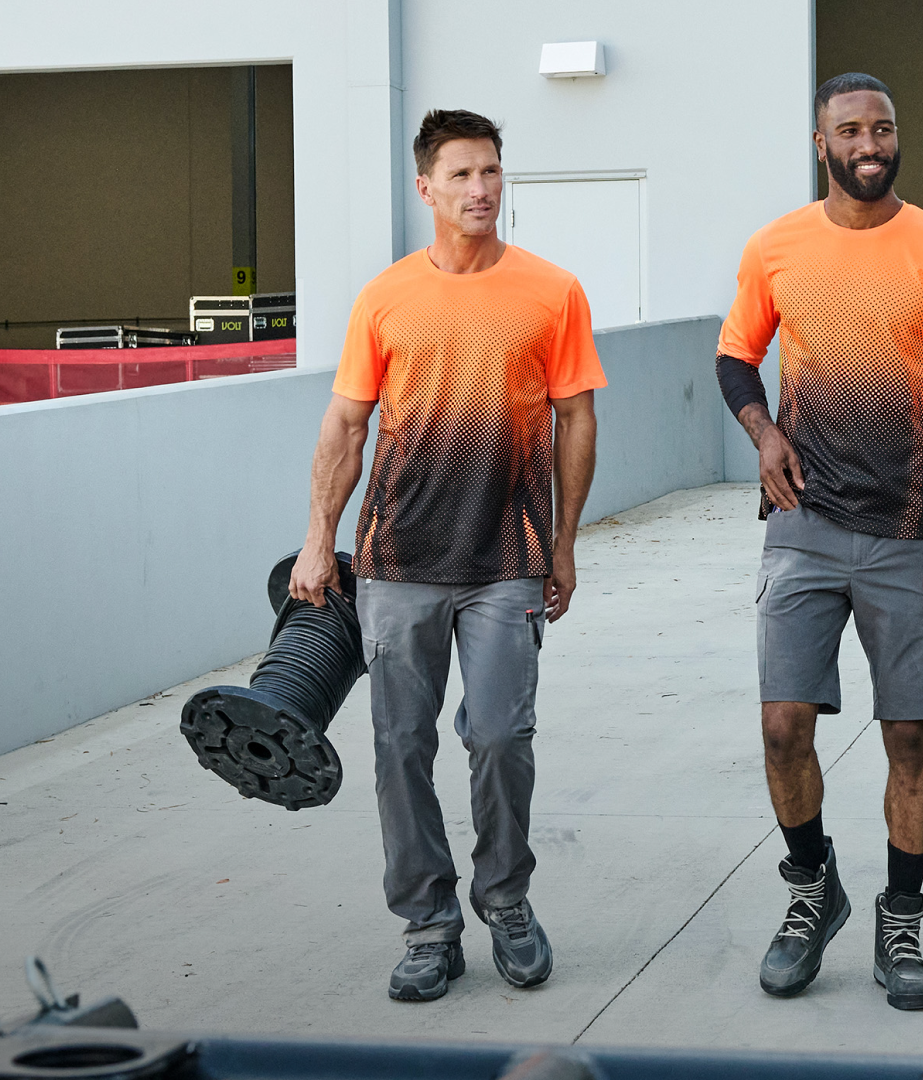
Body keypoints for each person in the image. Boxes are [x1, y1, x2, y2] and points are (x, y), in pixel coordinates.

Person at [289, 109, 605, 1002]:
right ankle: (428, 924)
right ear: (425, 187)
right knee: (399, 748)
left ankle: (505, 900)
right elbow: (347, 423)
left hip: (507, 555)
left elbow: (576, 417)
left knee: (502, 736)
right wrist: (320, 536)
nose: (481, 190)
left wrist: (566, 543)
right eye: (462, 175)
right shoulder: (385, 297)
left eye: (493, 172)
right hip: (396, 561)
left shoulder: (552, 291)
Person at [714, 72, 923, 1009]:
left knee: (909, 737)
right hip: (802, 523)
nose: (870, 142)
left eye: (883, 126)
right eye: (851, 129)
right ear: (822, 144)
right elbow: (733, 355)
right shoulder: (776, 248)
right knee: (780, 726)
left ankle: (902, 924)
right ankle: (813, 892)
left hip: (912, 532)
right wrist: (764, 434)